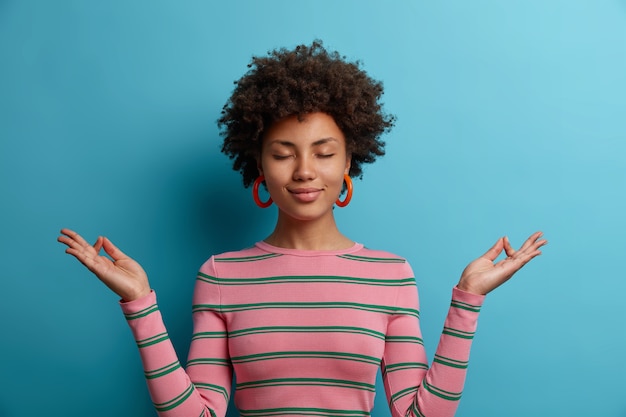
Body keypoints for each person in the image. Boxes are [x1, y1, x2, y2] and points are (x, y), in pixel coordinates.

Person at [58, 41, 547, 417]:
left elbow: (419, 412)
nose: (305, 171)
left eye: (324, 152)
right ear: (259, 167)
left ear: (349, 161)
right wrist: (140, 304)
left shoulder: (390, 276)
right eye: (283, 153)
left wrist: (467, 299)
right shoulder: (221, 276)